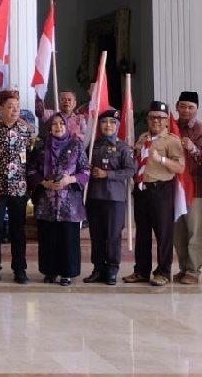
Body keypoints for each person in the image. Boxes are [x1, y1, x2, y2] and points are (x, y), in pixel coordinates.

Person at [125, 100, 185, 286]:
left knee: (163, 234)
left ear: (167, 121)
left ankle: (163, 272)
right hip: (142, 191)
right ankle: (141, 271)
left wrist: (162, 159)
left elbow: (180, 167)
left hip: (161, 191)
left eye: (160, 118)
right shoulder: (143, 138)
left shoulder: (172, 141)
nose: (156, 121)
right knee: (142, 234)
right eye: (152, 117)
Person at [0, 89, 34, 284]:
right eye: (10, 107)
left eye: (17, 107)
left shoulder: (25, 131)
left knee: (19, 230)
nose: (14, 110)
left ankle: (20, 269)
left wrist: (31, 188)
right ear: (0, 108)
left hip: (19, 189)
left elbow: (31, 162)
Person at [27, 113, 89, 286]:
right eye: (54, 124)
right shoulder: (40, 146)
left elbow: (85, 171)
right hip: (46, 201)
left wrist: (70, 179)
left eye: (62, 123)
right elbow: (31, 170)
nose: (58, 127)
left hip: (69, 202)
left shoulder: (76, 145)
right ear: (49, 127)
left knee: (68, 238)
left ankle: (67, 274)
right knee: (48, 237)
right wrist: (43, 182)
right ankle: (49, 271)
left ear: (67, 125)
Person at [85, 108, 136, 285]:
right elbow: (83, 166)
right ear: (99, 125)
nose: (108, 125)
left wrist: (108, 174)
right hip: (95, 197)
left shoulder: (123, 147)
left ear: (117, 126)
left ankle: (112, 269)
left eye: (112, 123)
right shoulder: (93, 145)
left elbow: (130, 170)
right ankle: (98, 269)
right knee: (96, 235)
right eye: (105, 122)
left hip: (115, 199)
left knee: (113, 235)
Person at [174, 90, 202, 285]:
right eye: (182, 106)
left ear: (197, 110)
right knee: (178, 230)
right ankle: (183, 268)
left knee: (195, 230)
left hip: (196, 187)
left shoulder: (200, 131)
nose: (186, 110)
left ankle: (193, 270)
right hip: (173, 187)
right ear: (177, 106)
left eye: (190, 107)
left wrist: (193, 149)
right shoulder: (170, 128)